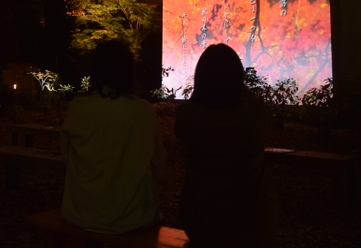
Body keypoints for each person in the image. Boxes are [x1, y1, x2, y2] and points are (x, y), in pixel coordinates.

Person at [60, 40, 165, 235]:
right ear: (128, 70)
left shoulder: (78, 107)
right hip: (135, 216)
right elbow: (158, 164)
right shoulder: (143, 111)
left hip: (81, 212)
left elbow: (65, 155)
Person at [175, 43, 275, 248]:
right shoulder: (256, 115)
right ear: (239, 78)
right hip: (251, 226)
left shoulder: (188, 117)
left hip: (200, 224)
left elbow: (190, 112)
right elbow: (252, 101)